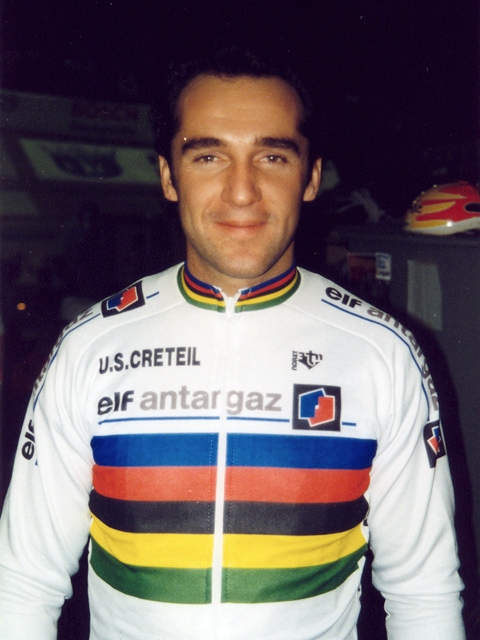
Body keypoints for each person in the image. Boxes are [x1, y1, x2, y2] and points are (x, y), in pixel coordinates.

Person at [0, 48, 465, 640]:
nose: (241, 191)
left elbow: (423, 593)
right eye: (208, 155)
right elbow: (24, 582)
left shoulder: (383, 354)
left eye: (272, 156)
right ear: (169, 176)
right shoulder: (89, 346)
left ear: (311, 177)